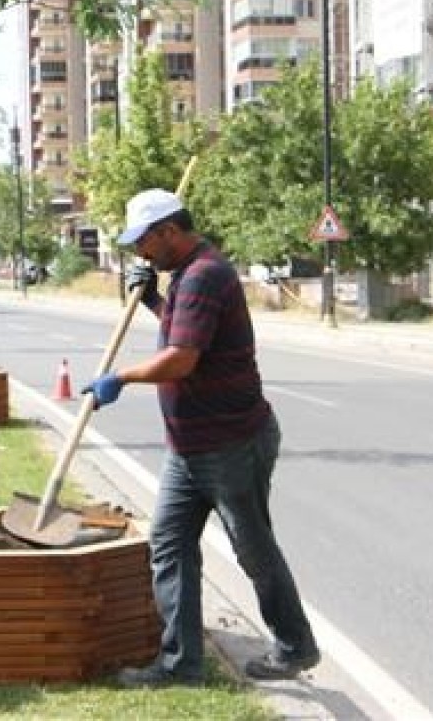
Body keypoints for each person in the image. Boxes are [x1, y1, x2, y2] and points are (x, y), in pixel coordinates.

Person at [81, 188, 320, 686]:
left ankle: (296, 645)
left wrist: (120, 378)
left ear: (169, 232)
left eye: (145, 243)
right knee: (168, 546)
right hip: (189, 447)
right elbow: (183, 328)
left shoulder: (206, 274)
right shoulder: (187, 277)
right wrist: (151, 298)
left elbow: (182, 357)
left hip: (231, 442)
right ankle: (181, 665)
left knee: (252, 547)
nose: (141, 254)